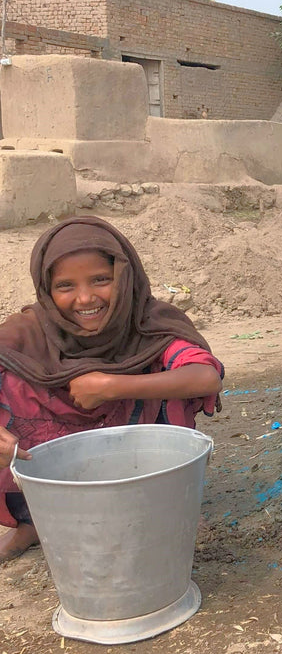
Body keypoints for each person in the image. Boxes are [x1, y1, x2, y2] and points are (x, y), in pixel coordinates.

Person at [0, 217, 224, 562]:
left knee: (166, 377)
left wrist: (110, 385)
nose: (85, 298)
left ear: (124, 276)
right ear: (46, 290)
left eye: (101, 280)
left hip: (134, 459)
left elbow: (205, 376)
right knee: (10, 381)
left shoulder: (148, 322)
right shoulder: (28, 331)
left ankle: (159, 510)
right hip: (53, 458)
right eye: (65, 286)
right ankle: (32, 520)